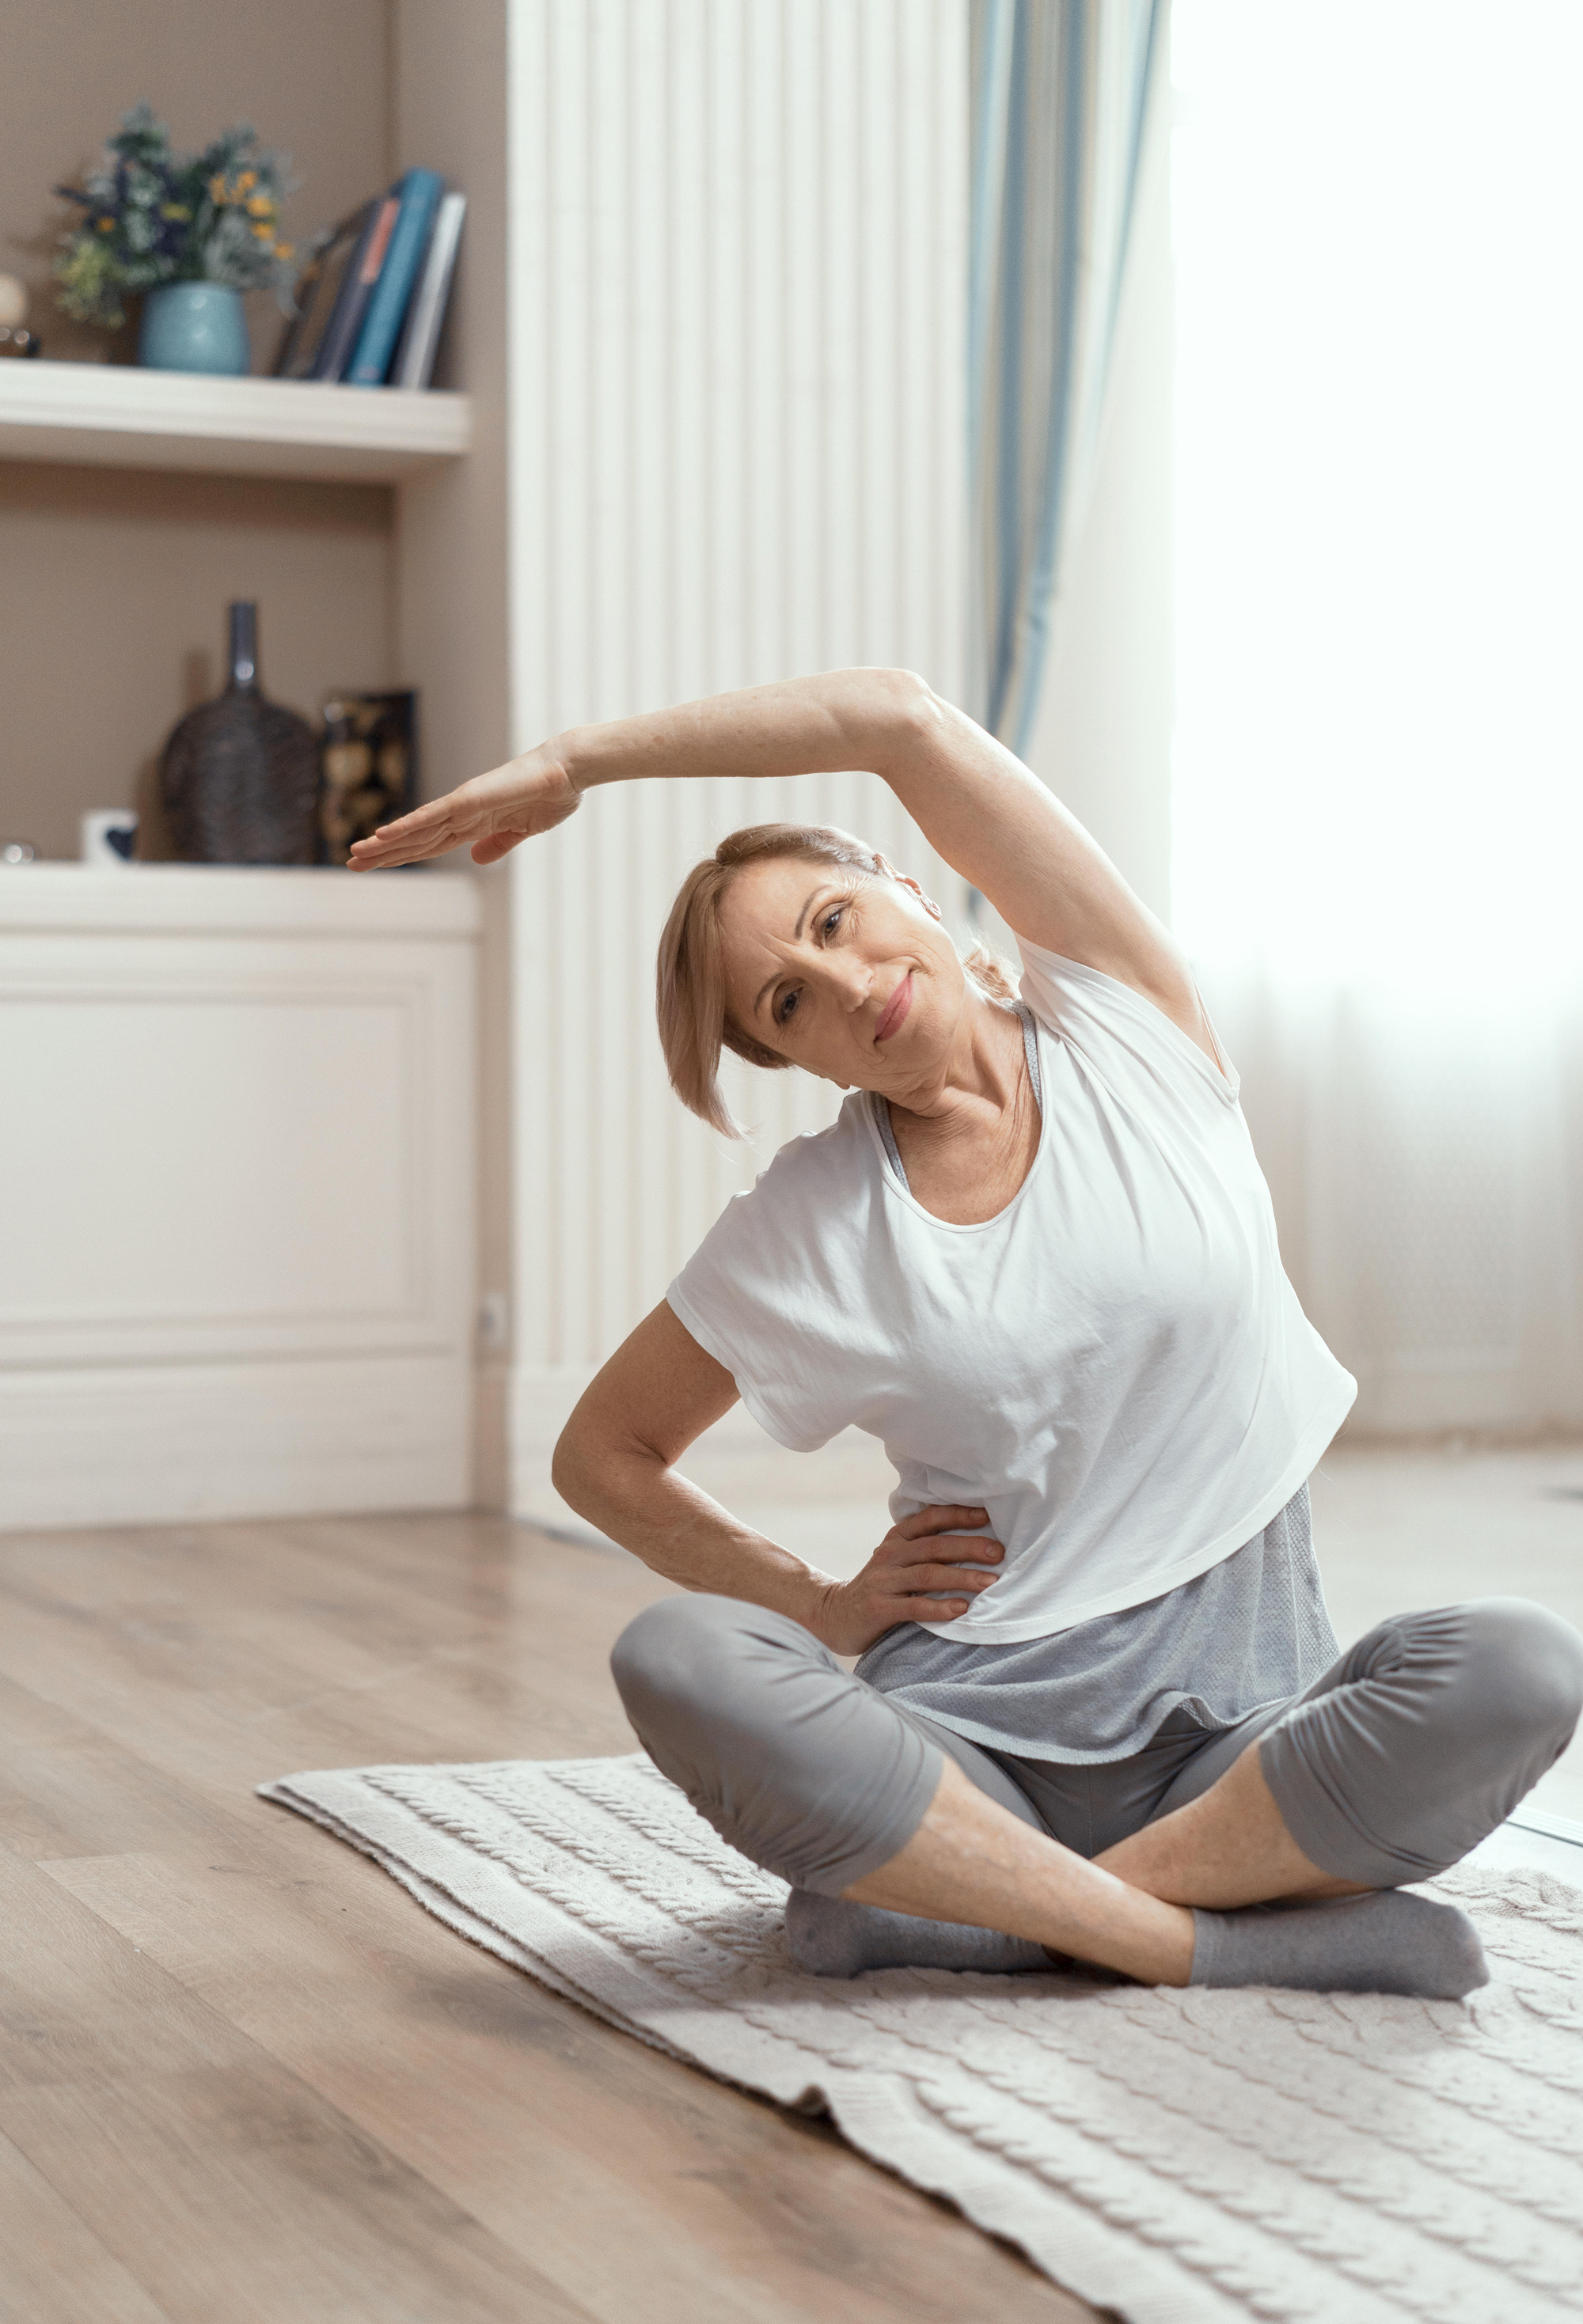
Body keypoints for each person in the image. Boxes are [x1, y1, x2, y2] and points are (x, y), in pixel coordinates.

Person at [350, 669, 1583, 1996]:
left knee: (1520, 1666)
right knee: (678, 1655)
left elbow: (898, 717)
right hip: (969, 1750)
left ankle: (971, 1910)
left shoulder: (1125, 1021)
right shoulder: (810, 1222)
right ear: (799, 1062)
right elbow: (604, 1454)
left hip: (1235, 1750)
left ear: (911, 888)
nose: (840, 980)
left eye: (835, 921)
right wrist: (817, 1605)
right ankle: (1202, 1938)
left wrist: (579, 761)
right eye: (786, 1003)